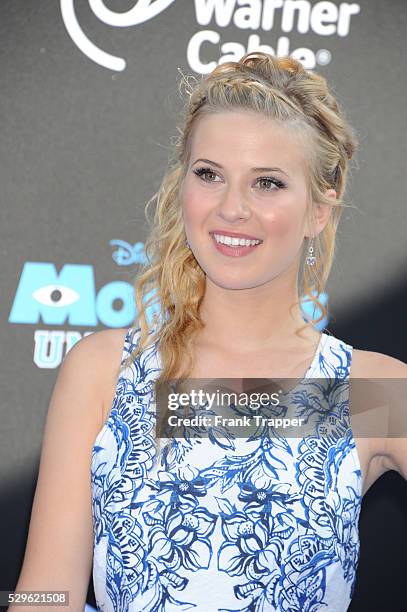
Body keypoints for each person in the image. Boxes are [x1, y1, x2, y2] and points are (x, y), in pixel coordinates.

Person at [11, 52, 406, 612]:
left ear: (320, 207)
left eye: (267, 183)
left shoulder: (368, 390)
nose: (232, 208)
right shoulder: (106, 370)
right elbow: (44, 598)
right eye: (209, 174)